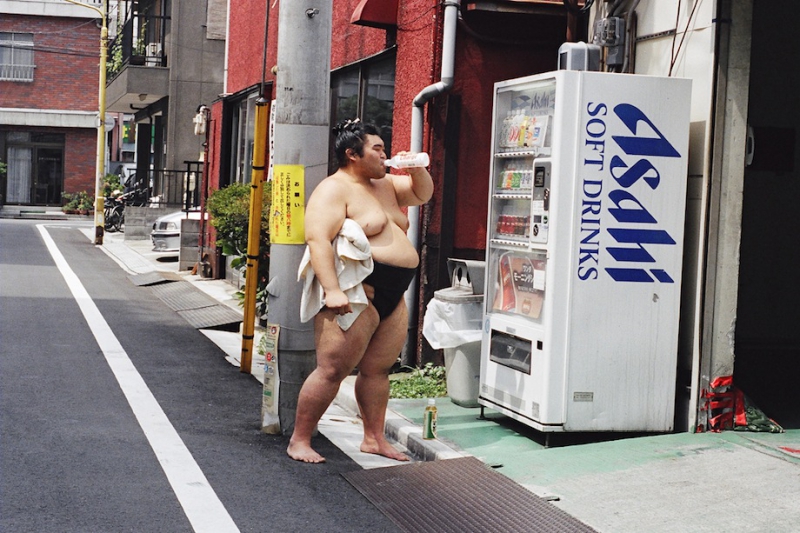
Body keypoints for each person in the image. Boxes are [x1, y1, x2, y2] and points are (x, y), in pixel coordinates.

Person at [287, 120, 434, 463]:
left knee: (378, 370)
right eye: (377, 149)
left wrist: (416, 168)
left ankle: (374, 439)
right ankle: (300, 440)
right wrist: (332, 290)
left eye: (384, 149)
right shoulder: (333, 189)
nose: (384, 155)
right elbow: (317, 239)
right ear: (352, 154)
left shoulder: (386, 184)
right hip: (357, 292)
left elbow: (422, 194)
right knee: (331, 370)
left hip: (394, 293)